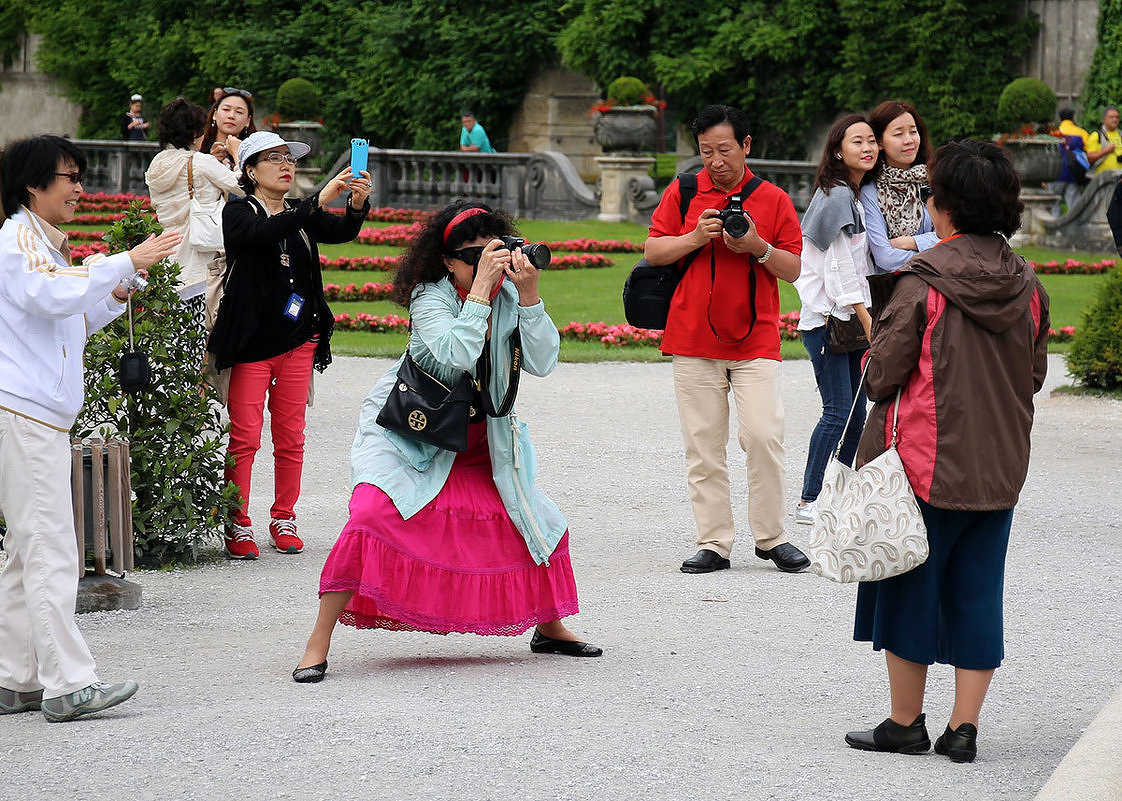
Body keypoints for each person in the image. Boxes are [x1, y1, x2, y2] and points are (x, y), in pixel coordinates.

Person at [292, 200, 600, 683]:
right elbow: (455, 354)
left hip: (482, 437)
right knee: (372, 515)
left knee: (533, 521)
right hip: (414, 433)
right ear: (447, 261)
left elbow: (542, 362)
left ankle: (550, 625)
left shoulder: (509, 295)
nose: (489, 264)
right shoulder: (429, 296)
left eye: (493, 251)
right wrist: (479, 294)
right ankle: (319, 639)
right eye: (474, 257)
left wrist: (531, 297)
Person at [844, 139, 1049, 763]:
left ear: (946, 206)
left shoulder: (923, 283)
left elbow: (880, 378)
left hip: (924, 464)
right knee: (978, 590)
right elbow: (1033, 375)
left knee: (912, 587)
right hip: (1001, 464)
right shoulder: (1029, 285)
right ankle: (964, 729)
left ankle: (905, 722)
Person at [0, 135, 180, 721]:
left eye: (80, 176)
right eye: (69, 177)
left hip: (36, 414)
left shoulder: (44, 243)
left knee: (27, 553)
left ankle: (16, 680)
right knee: (49, 547)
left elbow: (64, 318)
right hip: (23, 413)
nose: (80, 189)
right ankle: (69, 685)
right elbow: (47, 294)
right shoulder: (18, 238)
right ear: (33, 186)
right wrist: (124, 263)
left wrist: (115, 287)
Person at [643, 104, 808, 575]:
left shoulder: (773, 199)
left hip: (755, 338)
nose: (715, 160)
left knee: (763, 435)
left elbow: (794, 269)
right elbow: (654, 250)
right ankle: (713, 542)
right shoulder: (685, 190)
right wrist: (695, 236)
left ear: (746, 145)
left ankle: (772, 538)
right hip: (693, 338)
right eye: (705, 151)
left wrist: (757, 246)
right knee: (703, 445)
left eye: (724, 149)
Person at [207, 132, 370, 560]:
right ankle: (237, 521)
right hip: (252, 344)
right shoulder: (239, 211)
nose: (286, 165)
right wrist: (316, 201)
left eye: (290, 159)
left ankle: (284, 516)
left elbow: (342, 232)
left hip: (299, 340)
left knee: (291, 437)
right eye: (274, 158)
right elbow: (264, 233)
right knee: (245, 438)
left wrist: (354, 202)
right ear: (249, 170)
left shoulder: (299, 214)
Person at [792, 114, 878, 525]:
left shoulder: (854, 194)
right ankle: (810, 499)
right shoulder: (839, 196)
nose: (868, 147)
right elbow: (839, 269)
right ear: (838, 150)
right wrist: (868, 320)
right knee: (838, 410)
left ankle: (839, 492)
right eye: (858, 140)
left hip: (845, 318)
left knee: (856, 413)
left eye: (872, 140)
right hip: (829, 321)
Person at [144, 97, 241, 332]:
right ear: (196, 132)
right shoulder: (200, 162)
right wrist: (238, 156)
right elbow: (241, 185)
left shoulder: (157, 165)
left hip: (169, 255)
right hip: (199, 257)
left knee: (177, 338)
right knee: (200, 334)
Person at [859, 100, 937, 273]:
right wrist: (940, 254)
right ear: (879, 142)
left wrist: (909, 242)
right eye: (898, 134)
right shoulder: (871, 193)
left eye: (913, 131)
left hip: (940, 290)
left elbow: (955, 239)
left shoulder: (935, 182)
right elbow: (885, 258)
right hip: (895, 292)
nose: (909, 140)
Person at [200, 88, 257, 170]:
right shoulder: (198, 146)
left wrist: (237, 155)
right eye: (226, 109)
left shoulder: (255, 153)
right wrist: (211, 160)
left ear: (248, 121)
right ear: (215, 114)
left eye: (239, 112)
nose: (231, 116)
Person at [1049, 107, 1091, 216]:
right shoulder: (1082, 133)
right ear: (1073, 118)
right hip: (1074, 173)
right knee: (1074, 208)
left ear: (1060, 118)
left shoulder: (1053, 133)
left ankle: (1053, 232)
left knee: (1054, 207)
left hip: (1055, 174)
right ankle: (1074, 231)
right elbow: (1090, 151)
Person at [1087, 105, 1121, 175]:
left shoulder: (1121, 134)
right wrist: (1105, 151)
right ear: (1104, 119)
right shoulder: (1096, 135)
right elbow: (1089, 159)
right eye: (1111, 117)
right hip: (1104, 179)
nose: (1115, 119)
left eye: (1117, 117)